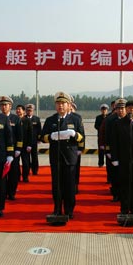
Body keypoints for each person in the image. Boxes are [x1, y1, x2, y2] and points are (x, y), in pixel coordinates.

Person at [40, 91, 85, 220]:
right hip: (56, 156)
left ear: (68, 104)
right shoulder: (50, 120)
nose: (61, 106)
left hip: (70, 157)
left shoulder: (76, 119)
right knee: (57, 185)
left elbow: (82, 138)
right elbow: (42, 138)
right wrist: (51, 136)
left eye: (63, 103)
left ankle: (69, 210)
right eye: (58, 103)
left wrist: (74, 134)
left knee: (69, 185)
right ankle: (57, 209)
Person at [101, 98, 127, 202]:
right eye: (118, 108)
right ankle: (116, 194)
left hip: (126, 152)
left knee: (125, 175)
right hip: (114, 152)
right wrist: (107, 151)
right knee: (115, 174)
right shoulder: (109, 120)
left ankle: (125, 195)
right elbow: (106, 136)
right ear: (115, 109)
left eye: (122, 108)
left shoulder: (130, 119)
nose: (120, 110)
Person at [0, 96, 22, 200]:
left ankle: (11, 192)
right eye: (2, 105)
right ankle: (3, 193)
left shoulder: (16, 119)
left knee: (13, 173)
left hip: (13, 150)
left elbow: (20, 135)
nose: (4, 107)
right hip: (0, 150)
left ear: (10, 106)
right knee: (1, 173)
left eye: (6, 105)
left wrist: (18, 148)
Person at [15, 104, 33, 183]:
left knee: (26, 162)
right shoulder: (14, 119)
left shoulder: (27, 120)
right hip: (16, 146)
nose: (18, 111)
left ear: (23, 111)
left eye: (19, 109)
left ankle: (25, 176)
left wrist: (30, 144)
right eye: (17, 109)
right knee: (15, 163)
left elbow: (30, 133)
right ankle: (17, 176)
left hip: (25, 145)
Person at [25, 104, 42, 175]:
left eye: (30, 110)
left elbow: (39, 130)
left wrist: (39, 139)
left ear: (33, 111)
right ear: (25, 111)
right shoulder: (23, 118)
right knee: (26, 157)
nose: (29, 112)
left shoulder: (36, 119)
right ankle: (27, 170)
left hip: (34, 141)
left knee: (34, 156)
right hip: (26, 141)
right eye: (28, 110)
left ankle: (35, 170)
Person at [94, 103, 109, 167]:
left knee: (108, 150)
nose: (104, 111)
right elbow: (96, 126)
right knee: (101, 151)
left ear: (107, 110)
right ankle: (100, 163)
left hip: (108, 137)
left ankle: (109, 163)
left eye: (105, 109)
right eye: (103, 109)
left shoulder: (109, 117)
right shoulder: (98, 118)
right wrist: (101, 129)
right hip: (100, 137)